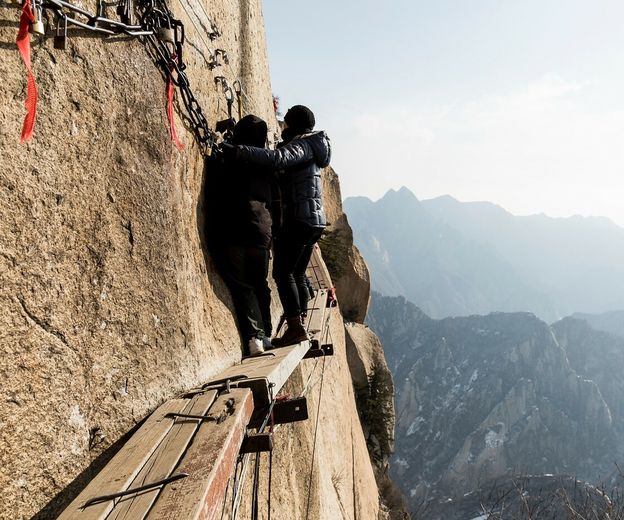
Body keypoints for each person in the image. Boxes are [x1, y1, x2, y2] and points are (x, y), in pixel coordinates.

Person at [225, 105, 331, 347]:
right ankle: (300, 321)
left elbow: (278, 159)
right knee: (296, 273)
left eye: (286, 123)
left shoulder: (302, 144)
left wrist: (240, 151)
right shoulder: (314, 147)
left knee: (283, 274)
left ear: (292, 124)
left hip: (300, 219)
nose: (283, 127)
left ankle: (295, 327)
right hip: (314, 220)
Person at [205, 115, 276, 356]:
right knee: (260, 284)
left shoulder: (229, 157)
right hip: (261, 232)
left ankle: (255, 337)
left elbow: (214, 184)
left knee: (242, 284)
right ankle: (266, 333)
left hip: (234, 228)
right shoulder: (267, 163)